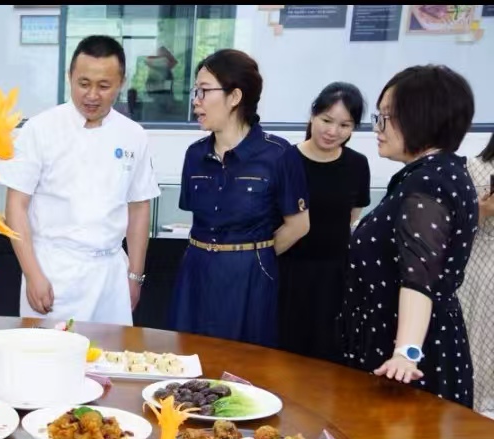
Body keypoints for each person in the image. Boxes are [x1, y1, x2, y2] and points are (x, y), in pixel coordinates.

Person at [0, 35, 160, 325]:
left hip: (111, 275)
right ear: (69, 77)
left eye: (104, 86)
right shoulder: (40, 129)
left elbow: (139, 207)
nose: (92, 95)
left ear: (121, 83)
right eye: (83, 84)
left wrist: (135, 276)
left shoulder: (133, 135)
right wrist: (33, 274)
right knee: (49, 351)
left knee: (112, 352)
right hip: (53, 272)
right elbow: (16, 207)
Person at [340, 65, 477, 407]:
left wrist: (406, 353)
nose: (377, 127)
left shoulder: (428, 183)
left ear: (421, 119)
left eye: (386, 117)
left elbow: (419, 277)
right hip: (407, 340)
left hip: (406, 358)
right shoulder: (440, 173)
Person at [168, 49, 310, 348]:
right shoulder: (195, 154)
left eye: (204, 91)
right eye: (195, 91)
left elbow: (298, 226)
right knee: (188, 355)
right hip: (196, 271)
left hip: (249, 277)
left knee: (244, 362)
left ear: (234, 96)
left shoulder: (279, 154)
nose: (196, 100)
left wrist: (253, 256)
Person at [279, 83, 371, 362]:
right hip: (288, 275)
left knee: (328, 358)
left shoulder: (357, 164)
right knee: (284, 355)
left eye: (345, 125)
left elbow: (352, 216)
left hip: (335, 279)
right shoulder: (285, 159)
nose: (333, 131)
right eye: (326, 120)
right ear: (313, 115)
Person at [458, 133, 494, 413]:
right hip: (479, 265)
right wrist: (481, 211)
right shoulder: (471, 167)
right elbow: (452, 226)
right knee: (477, 338)